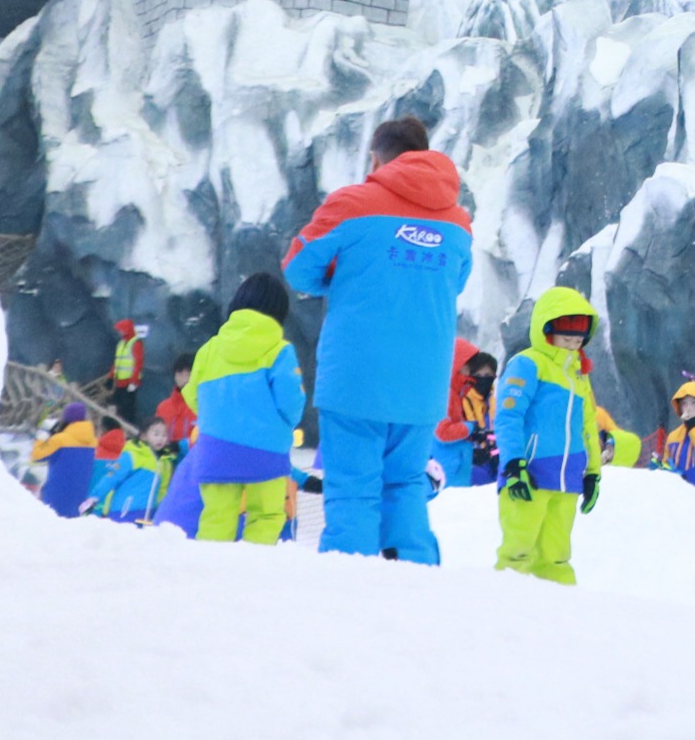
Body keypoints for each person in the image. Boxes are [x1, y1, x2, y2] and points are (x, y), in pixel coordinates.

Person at [283, 115, 473, 564]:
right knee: (405, 485)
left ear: (376, 156)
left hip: (357, 377)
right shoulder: (458, 222)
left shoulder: (353, 203)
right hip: (422, 384)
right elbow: (456, 281)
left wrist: (345, 279)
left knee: (352, 490)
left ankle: (349, 598)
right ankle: (415, 584)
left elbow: (298, 266)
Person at [493, 286, 608, 585]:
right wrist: (514, 464)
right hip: (529, 474)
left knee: (556, 555)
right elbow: (508, 415)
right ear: (546, 327)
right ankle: (502, 610)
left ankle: (560, 616)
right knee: (518, 551)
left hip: (566, 478)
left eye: (580, 330)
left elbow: (587, 425)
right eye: (566, 330)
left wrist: (592, 472)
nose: (573, 339)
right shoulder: (528, 363)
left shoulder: (578, 374)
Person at [186, 271, 307, 546]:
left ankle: (209, 573)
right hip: (265, 450)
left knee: (216, 517)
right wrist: (283, 425)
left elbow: (193, 396)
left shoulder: (209, 349)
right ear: (279, 311)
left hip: (215, 449)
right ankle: (254, 575)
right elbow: (291, 401)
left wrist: (219, 420)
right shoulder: (279, 350)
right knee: (265, 516)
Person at [434, 341, 495, 487]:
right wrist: (471, 428)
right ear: (457, 365)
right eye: (469, 366)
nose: (472, 371)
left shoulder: (461, 391)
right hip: (447, 468)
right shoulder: (446, 395)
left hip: (458, 466)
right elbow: (443, 432)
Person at [29, 402, 97, 518]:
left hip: (56, 494)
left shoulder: (59, 440)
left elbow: (37, 456)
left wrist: (43, 434)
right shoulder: (93, 441)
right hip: (80, 496)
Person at [660, 378, 695, 476]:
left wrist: (694, 426)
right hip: (681, 489)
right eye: (684, 404)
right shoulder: (674, 435)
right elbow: (666, 463)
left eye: (693, 403)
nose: (689, 408)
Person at [109, 319, 148, 425]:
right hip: (119, 382)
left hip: (129, 383)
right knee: (117, 408)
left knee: (128, 410)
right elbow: (117, 362)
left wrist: (134, 382)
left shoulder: (136, 343)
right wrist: (111, 376)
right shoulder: (121, 343)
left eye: (121, 330)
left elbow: (138, 363)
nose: (119, 332)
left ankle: (128, 429)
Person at [154, 355, 197, 449]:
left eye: (189, 374)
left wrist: (180, 447)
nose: (184, 379)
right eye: (180, 373)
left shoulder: (201, 407)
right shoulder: (163, 407)